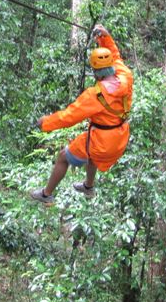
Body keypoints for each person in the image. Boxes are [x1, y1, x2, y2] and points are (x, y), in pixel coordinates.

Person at [31, 24, 133, 203]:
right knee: (89, 146)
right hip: (120, 137)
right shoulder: (125, 76)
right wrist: (105, 37)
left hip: (102, 143)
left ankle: (46, 195)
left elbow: (68, 116)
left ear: (94, 70)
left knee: (63, 157)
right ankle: (88, 187)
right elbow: (115, 56)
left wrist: (45, 123)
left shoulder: (95, 95)